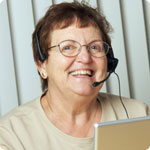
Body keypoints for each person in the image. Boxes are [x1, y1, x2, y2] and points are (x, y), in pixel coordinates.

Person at [0, 2, 149, 150]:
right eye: (68, 47)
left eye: (95, 47)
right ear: (41, 64)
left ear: (108, 60)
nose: (85, 58)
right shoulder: (11, 136)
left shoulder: (140, 116)